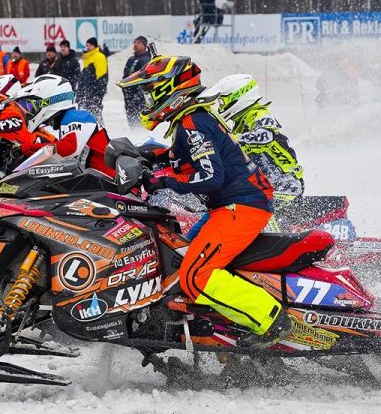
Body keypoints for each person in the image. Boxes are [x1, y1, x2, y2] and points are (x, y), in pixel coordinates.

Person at [117, 55, 289, 346]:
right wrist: (150, 157)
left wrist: (162, 181)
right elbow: (186, 158)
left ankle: (271, 320)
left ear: (169, 89)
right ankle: (215, 325)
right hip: (230, 205)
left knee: (196, 275)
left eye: (150, 92)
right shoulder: (193, 119)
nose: (147, 100)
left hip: (242, 207)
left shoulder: (193, 122)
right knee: (180, 259)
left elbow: (211, 177)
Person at [191, 74, 303, 236]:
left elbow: (266, 135)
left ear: (238, 97)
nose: (221, 107)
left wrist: (231, 140)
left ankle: (272, 243)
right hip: (262, 187)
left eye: (223, 102)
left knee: (256, 212)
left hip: (286, 187)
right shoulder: (239, 124)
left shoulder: (259, 114)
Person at [4, 74, 113, 175]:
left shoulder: (77, 116)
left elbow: (69, 148)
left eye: (30, 106)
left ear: (48, 102)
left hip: (107, 183)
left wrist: (26, 149)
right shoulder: (66, 122)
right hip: (92, 182)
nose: (28, 111)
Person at [121, 36, 152, 127]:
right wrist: (125, 90)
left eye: (138, 43)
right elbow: (125, 76)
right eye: (134, 42)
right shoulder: (131, 59)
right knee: (131, 121)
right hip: (129, 96)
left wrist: (138, 95)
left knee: (140, 121)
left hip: (140, 97)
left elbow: (146, 79)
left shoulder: (146, 59)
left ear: (144, 46)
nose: (135, 44)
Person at [78, 37, 108, 123]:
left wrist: (97, 90)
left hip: (95, 90)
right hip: (87, 90)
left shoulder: (99, 56)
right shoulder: (87, 57)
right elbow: (85, 76)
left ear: (95, 46)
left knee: (95, 111)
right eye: (87, 45)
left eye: (90, 45)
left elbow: (102, 76)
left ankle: (100, 127)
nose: (88, 47)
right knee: (86, 112)